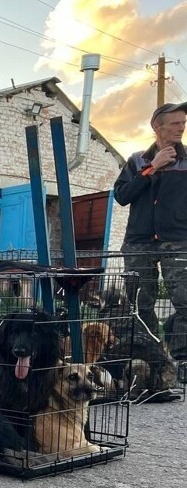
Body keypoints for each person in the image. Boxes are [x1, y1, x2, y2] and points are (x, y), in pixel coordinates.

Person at [113, 101, 187, 360]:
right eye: (175, 123)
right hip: (138, 243)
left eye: (184, 123)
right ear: (157, 126)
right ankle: (152, 357)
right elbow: (122, 196)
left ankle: (181, 361)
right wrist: (152, 167)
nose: (181, 128)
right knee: (139, 306)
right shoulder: (137, 160)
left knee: (185, 303)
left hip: (178, 243)